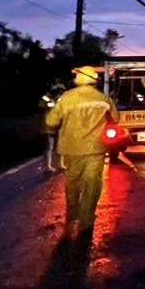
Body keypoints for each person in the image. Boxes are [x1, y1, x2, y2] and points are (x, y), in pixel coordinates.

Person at [43, 65, 118, 243]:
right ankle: (86, 220)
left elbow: (51, 121)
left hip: (72, 149)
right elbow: (115, 118)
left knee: (73, 182)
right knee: (93, 184)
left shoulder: (67, 98)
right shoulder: (103, 98)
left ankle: (72, 216)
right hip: (95, 149)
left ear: (80, 78)